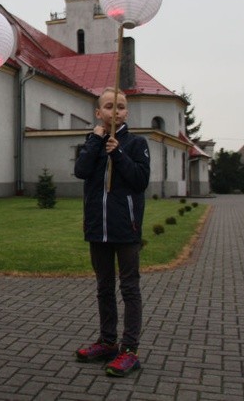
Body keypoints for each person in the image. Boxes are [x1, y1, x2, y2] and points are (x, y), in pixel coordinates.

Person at [73, 87, 150, 377]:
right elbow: (81, 171)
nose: (114, 112)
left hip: (125, 229)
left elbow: (139, 180)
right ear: (98, 112)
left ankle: (129, 349)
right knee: (104, 287)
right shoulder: (92, 142)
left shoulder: (136, 143)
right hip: (98, 228)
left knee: (129, 288)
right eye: (108, 106)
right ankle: (107, 341)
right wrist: (96, 140)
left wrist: (117, 152)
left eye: (119, 107)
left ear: (126, 112)